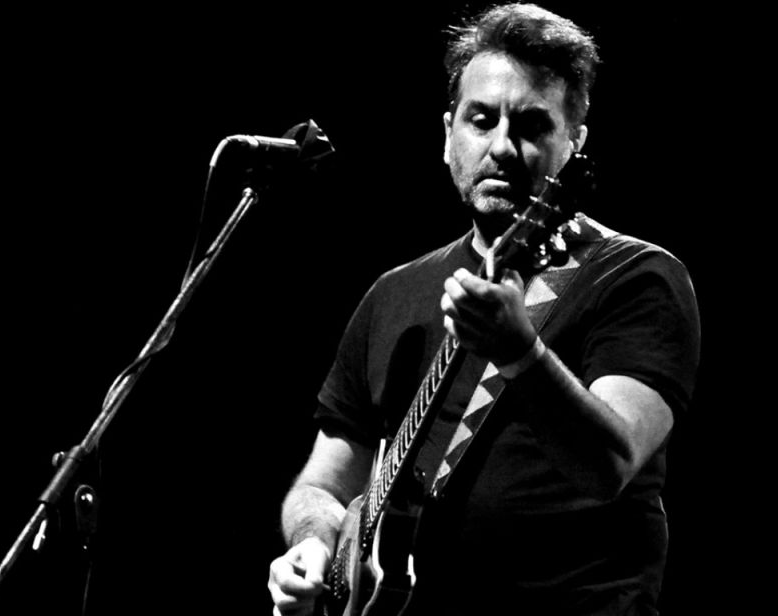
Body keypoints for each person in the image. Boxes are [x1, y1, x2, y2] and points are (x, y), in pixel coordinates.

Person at [267, 3, 700, 615]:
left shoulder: (636, 277)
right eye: (481, 119)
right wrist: (312, 542)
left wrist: (521, 352)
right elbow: (323, 483)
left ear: (574, 143)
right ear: (448, 135)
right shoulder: (392, 292)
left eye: (531, 125)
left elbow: (612, 464)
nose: (501, 146)